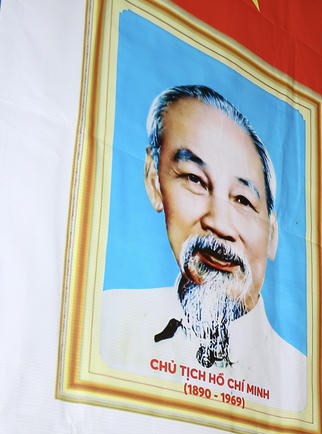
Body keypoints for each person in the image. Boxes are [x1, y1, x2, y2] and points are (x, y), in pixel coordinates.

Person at [100, 84, 307, 411]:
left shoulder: (301, 384)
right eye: (195, 180)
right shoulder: (106, 324)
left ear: (272, 234)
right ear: (155, 181)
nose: (220, 224)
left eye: (242, 200)